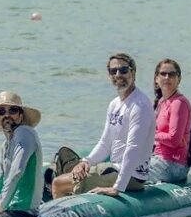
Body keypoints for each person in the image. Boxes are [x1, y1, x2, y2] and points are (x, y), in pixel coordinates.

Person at [50, 53, 153, 198]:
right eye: (113, 71)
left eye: (123, 70)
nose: (118, 74)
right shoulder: (114, 104)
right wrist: (86, 161)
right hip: (115, 168)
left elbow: (133, 149)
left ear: (133, 72)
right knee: (67, 167)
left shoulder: (139, 105)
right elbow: (105, 143)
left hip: (131, 176)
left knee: (58, 183)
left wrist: (117, 188)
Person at [147, 58, 191, 184]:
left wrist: (150, 135)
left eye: (172, 74)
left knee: (127, 175)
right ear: (156, 78)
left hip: (173, 164)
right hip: (158, 159)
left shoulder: (179, 103)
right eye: (163, 74)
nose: (167, 77)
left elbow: (174, 140)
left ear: (179, 79)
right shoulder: (162, 102)